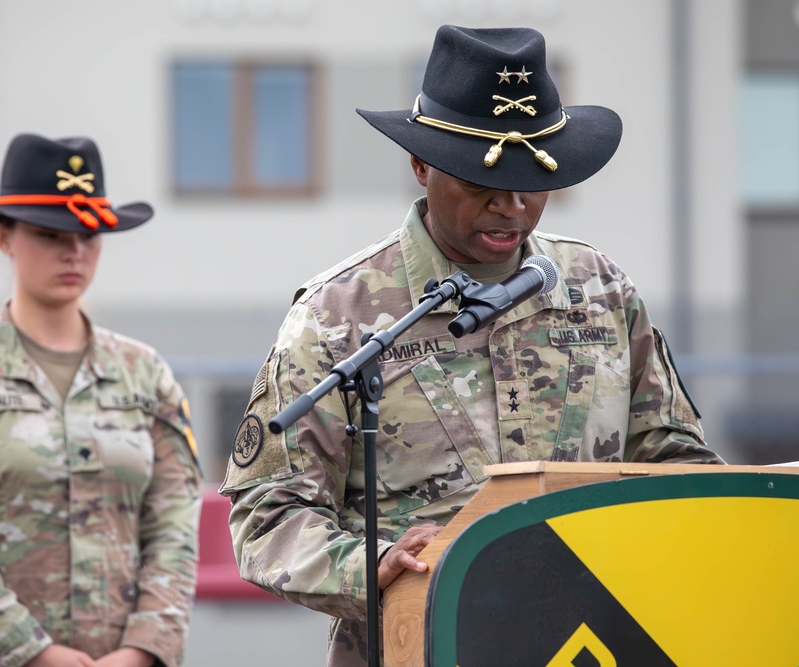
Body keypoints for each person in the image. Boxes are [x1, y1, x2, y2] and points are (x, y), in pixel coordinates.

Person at [220, 25, 724, 666]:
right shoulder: (337, 317)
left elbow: (674, 456)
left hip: (594, 639)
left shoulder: (599, 288)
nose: (512, 208)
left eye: (534, 183)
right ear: (421, 164)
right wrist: (372, 564)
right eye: (483, 182)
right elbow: (269, 513)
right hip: (425, 642)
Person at [0, 134, 202, 667]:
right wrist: (32, 653)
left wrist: (144, 650)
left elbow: (174, 523)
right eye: (49, 233)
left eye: (89, 235)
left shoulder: (145, 374)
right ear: (1, 236)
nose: (73, 252)